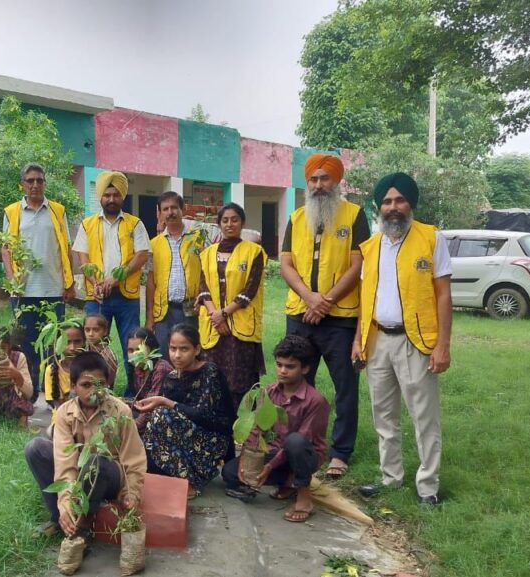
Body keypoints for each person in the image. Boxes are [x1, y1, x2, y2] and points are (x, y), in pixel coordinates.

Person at [353, 172, 453, 507]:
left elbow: (443, 295)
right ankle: (390, 477)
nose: (392, 207)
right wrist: (358, 340)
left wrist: (442, 345)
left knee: (424, 416)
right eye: (386, 202)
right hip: (378, 340)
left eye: (399, 200)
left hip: (417, 341)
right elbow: (365, 299)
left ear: (411, 203)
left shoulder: (431, 239)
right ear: (378, 207)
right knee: (384, 415)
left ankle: (428, 487)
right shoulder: (370, 247)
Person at [279, 153, 370, 480]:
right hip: (299, 313)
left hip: (340, 318)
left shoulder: (354, 215)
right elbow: (286, 264)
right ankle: (298, 442)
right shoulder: (296, 217)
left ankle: (340, 452)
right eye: (313, 179)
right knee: (296, 382)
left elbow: (358, 264)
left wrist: (325, 301)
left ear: (337, 181)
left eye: (324, 178)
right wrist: (309, 298)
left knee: (345, 386)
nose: (318, 185)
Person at [24, 351, 146, 542]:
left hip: (108, 474)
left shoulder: (120, 410)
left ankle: (83, 526)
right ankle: (60, 518)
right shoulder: (65, 413)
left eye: (100, 384)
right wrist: (65, 504)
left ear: (108, 384)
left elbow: (133, 456)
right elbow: (65, 462)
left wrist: (131, 493)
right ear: (73, 386)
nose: (94, 391)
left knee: (95, 461)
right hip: (78, 472)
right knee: (35, 448)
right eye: (86, 385)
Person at [222, 335, 331, 523]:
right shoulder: (269, 392)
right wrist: (247, 460)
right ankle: (287, 482)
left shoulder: (316, 401)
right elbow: (256, 428)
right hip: (275, 453)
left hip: (303, 456)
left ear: (305, 368)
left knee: (295, 441)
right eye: (279, 365)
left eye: (290, 367)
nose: (282, 371)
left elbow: (304, 439)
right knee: (230, 473)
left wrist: (269, 466)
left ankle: (303, 496)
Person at [135, 324, 236, 499]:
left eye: (184, 349)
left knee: (161, 415)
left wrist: (165, 402)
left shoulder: (209, 372)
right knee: (155, 422)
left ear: (197, 349)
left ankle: (190, 481)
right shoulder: (171, 378)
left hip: (213, 438)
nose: (177, 355)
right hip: (185, 437)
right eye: (173, 349)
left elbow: (203, 415)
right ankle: (154, 474)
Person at [3, 163, 76, 399]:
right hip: (23, 291)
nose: (35, 185)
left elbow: (66, 247)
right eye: (30, 180)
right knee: (26, 344)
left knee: (55, 344)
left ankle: (53, 392)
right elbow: (6, 249)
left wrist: (70, 282)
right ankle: (30, 392)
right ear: (22, 184)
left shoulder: (58, 211)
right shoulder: (12, 212)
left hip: (53, 289)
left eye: (39, 180)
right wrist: (12, 281)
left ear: (44, 183)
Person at [72, 170, 151, 384]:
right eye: (107, 195)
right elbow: (83, 257)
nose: (111, 199)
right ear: (101, 197)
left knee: (132, 345)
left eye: (116, 195)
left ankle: (134, 390)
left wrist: (116, 279)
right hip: (97, 297)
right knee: (93, 346)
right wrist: (95, 283)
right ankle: (94, 389)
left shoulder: (135, 224)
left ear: (122, 197)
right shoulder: (87, 224)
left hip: (127, 297)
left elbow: (142, 255)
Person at [197, 203, 267, 407]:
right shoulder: (207, 253)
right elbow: (203, 288)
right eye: (225, 220)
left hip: (241, 326)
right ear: (219, 224)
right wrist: (215, 317)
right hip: (213, 326)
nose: (230, 224)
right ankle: (215, 419)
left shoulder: (254, 252)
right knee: (213, 377)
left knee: (241, 380)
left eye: (234, 220)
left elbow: (249, 290)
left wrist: (224, 314)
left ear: (242, 223)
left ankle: (243, 422)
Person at [145, 191, 203, 357]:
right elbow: (150, 282)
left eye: (174, 207)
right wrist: (149, 317)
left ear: (182, 209)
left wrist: (203, 298)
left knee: (190, 355)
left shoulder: (198, 239)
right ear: (159, 213)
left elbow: (206, 273)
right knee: (165, 356)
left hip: (191, 309)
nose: (170, 212)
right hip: (164, 312)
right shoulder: (153, 244)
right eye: (165, 209)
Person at [125, 327, 174, 411]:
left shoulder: (160, 368)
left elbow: (150, 406)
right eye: (130, 350)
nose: (134, 354)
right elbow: (139, 401)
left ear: (151, 349)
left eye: (138, 349)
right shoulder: (136, 368)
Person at [43, 324, 87, 409]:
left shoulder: (92, 368)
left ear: (84, 342)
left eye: (77, 342)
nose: (72, 347)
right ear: (58, 344)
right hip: (62, 415)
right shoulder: (51, 370)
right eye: (67, 342)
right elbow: (59, 407)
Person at [83, 313, 118, 388]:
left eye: (96, 330)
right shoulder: (83, 350)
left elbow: (107, 384)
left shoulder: (109, 356)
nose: (90, 334)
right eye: (87, 330)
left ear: (105, 331)